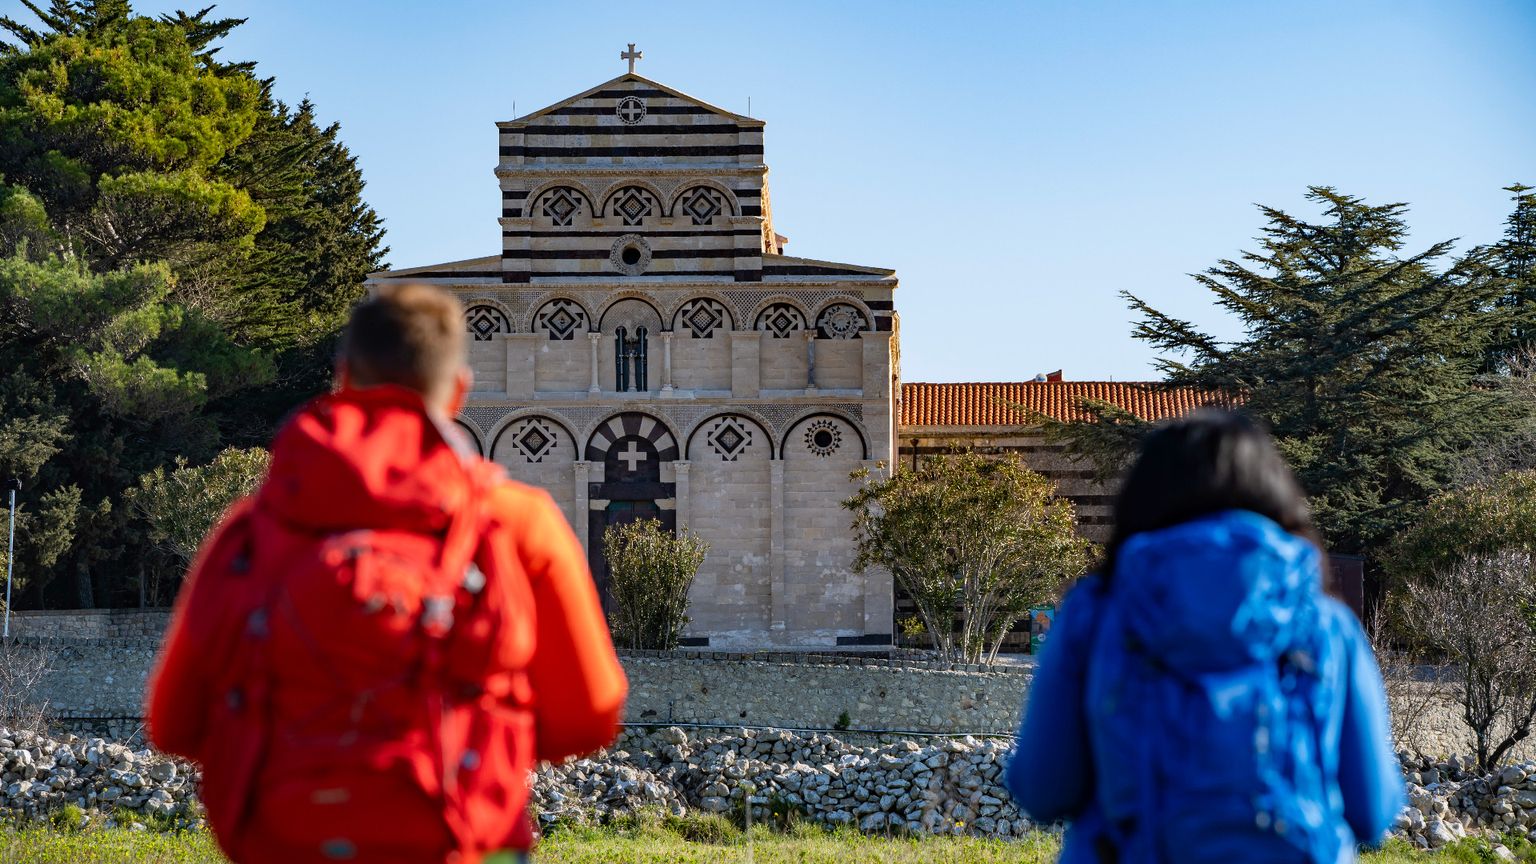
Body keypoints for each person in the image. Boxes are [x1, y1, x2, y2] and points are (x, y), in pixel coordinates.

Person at [146, 283, 628, 864]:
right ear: (456, 393)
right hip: (464, 841)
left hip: (286, 842)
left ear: (342, 377)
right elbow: (589, 717)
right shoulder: (515, 520)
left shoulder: (251, 528)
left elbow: (174, 724)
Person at [1004, 410, 1402, 863]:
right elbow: (1373, 811)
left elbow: (1042, 788)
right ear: (1275, 497)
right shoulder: (1327, 626)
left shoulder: (1094, 614)